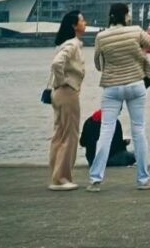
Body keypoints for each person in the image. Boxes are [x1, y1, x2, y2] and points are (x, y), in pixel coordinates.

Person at [87, 2, 150, 191]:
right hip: (135, 85)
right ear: (125, 16)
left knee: (105, 132)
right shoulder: (136, 32)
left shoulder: (101, 37)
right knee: (138, 130)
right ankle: (143, 179)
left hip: (112, 87)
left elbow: (98, 65)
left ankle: (95, 179)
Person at [48, 10, 86, 191]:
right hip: (67, 92)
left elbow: (57, 64)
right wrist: (64, 81)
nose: (84, 22)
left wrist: (59, 82)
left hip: (58, 93)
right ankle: (62, 178)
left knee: (59, 134)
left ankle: (56, 176)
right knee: (70, 135)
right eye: (81, 20)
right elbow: (57, 64)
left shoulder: (65, 43)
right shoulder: (72, 44)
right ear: (74, 25)